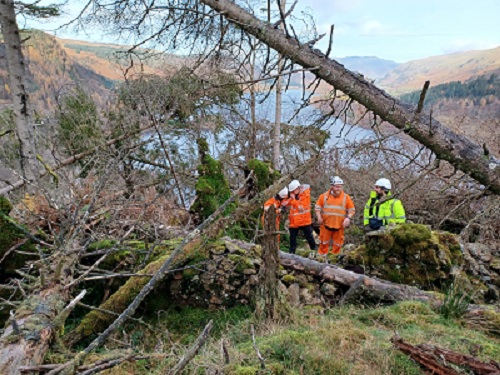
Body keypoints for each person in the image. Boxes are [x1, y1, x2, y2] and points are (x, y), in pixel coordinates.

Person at [315, 176, 355, 259]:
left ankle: (334, 260)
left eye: (340, 187)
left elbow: (352, 210)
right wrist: (319, 217)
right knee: (323, 243)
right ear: (332, 186)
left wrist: (348, 218)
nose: (339, 188)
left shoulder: (345, 197)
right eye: (337, 186)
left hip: (339, 226)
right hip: (326, 225)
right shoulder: (324, 196)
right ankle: (321, 260)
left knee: (337, 245)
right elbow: (317, 207)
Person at [286, 180, 317, 255]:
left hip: (304, 221)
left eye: (293, 191)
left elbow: (301, 207)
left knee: (309, 237)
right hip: (294, 222)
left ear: (298, 188)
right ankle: (291, 254)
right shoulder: (295, 195)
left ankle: (315, 252)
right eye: (291, 192)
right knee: (292, 239)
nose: (292, 193)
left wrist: (293, 199)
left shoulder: (305, 195)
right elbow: (287, 202)